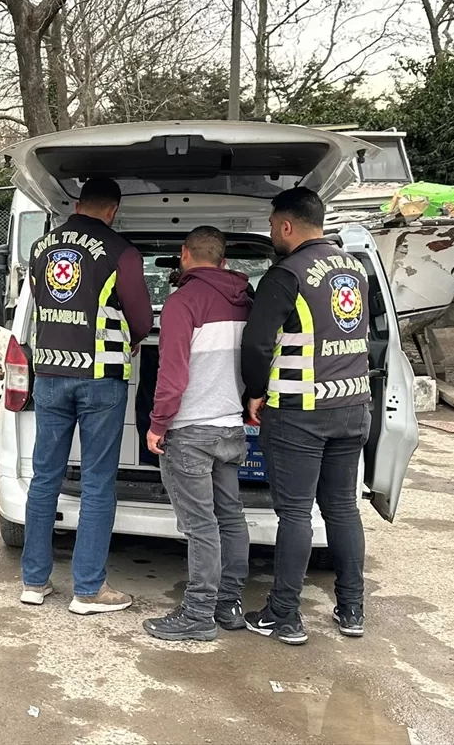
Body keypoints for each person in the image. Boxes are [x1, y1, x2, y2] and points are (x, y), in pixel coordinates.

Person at [240, 187, 372, 646]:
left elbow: (257, 344)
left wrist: (254, 393)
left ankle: (284, 614)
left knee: (294, 513)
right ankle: (352, 609)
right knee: (341, 507)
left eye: (274, 225)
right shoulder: (354, 269)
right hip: (352, 406)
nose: (273, 233)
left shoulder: (286, 273)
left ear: (288, 225)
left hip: (300, 411)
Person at [20, 177, 153, 614]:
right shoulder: (120, 251)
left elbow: (42, 302)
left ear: (77, 204)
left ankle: (34, 582)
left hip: (51, 374)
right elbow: (141, 318)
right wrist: (131, 338)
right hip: (100, 378)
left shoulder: (42, 248)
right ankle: (89, 589)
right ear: (113, 210)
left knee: (44, 479)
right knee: (97, 483)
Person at [141, 226, 253, 642]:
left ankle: (198, 614)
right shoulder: (246, 300)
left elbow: (172, 374)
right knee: (230, 516)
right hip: (230, 425)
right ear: (223, 261)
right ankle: (228, 604)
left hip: (190, 430)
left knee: (201, 526)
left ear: (184, 255)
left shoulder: (181, 302)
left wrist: (157, 424)